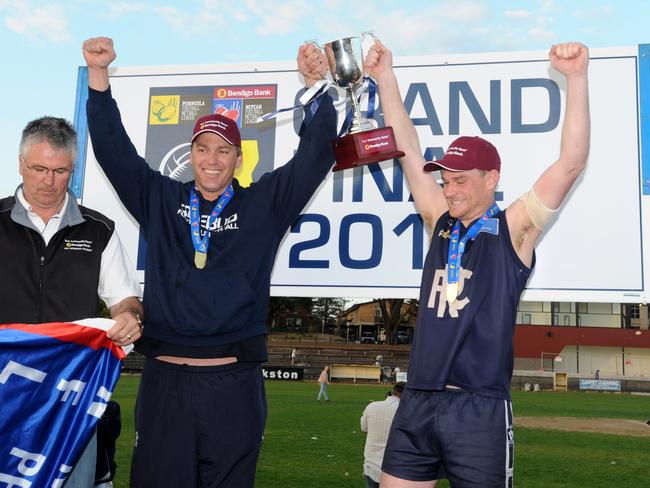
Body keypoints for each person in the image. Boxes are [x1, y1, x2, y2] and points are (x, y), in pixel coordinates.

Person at [82, 36, 335, 487]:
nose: (212, 159)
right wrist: (99, 78)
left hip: (234, 384)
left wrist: (315, 86)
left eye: (223, 150)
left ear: (238, 159)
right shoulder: (161, 199)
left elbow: (316, 156)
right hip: (165, 384)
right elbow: (114, 152)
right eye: (202, 148)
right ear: (191, 155)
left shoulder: (264, 205)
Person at [365, 40, 589, 487]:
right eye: (446, 181)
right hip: (418, 399)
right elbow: (407, 150)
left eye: (460, 181)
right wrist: (386, 79)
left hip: (479, 406)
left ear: (492, 179)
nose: (450, 191)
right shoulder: (441, 222)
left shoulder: (515, 230)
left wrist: (577, 79)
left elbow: (570, 165)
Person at [0, 116, 143, 487]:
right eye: (39, 168)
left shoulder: (99, 230)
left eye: (60, 170)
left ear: (72, 169)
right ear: (20, 163)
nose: (48, 181)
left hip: (70, 403)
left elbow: (126, 300)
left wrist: (129, 317)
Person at [360, 383, 409, 488]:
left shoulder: (372, 406)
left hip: (372, 465)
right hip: (396, 468)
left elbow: (364, 428)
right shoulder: (407, 411)